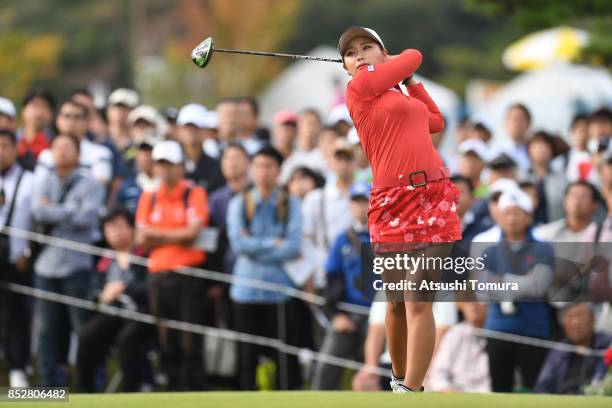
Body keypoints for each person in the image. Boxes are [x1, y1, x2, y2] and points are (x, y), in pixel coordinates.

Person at [339, 26, 461, 393]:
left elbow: (436, 121)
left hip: (434, 198)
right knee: (395, 303)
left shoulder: (399, 95)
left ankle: (411, 390)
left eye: (367, 48)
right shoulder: (358, 90)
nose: (359, 55)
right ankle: (398, 376)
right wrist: (397, 64)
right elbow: (415, 55)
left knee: (418, 297)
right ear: (345, 67)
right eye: (350, 53)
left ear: (382, 52)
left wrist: (410, 82)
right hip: (392, 203)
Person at [135, 140, 210, 390]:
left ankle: (193, 390)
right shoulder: (149, 196)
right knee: (164, 335)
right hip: (158, 274)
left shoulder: (193, 193)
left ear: (181, 167)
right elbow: (141, 237)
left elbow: (192, 234)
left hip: (188, 274)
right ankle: (171, 387)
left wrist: (159, 235)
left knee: (190, 336)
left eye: (170, 165)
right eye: (161, 165)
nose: (165, 170)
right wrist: (175, 234)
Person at [227, 146, 303, 390]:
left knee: (284, 356)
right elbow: (238, 244)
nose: (263, 171)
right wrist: (273, 243)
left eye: (269, 166)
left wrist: (255, 245)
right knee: (246, 357)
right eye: (258, 165)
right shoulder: (240, 202)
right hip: (245, 289)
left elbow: (293, 246)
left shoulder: (290, 203)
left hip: (278, 290)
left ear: (279, 171)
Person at [32, 133, 105, 386]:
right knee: (47, 331)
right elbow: (37, 211)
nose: (61, 151)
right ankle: (48, 386)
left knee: (83, 329)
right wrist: (68, 212)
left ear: (78, 153)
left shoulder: (90, 183)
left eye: (67, 147)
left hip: (77, 267)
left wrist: (53, 211)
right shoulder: (43, 181)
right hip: (45, 268)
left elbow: (88, 217)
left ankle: (89, 385)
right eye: (57, 147)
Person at [477, 189, 554, 392]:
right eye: (506, 213)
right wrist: (523, 281)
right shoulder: (490, 251)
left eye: (517, 213)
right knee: (499, 390)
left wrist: (502, 280)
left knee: (535, 389)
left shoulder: (543, 249)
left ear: (529, 217)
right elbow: (483, 292)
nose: (511, 219)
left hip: (533, 328)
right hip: (498, 329)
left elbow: (538, 286)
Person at [77, 207, 152, 392]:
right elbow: (93, 291)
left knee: (128, 340)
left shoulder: (145, 255)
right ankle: (85, 392)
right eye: (109, 228)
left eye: (118, 226)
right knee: (86, 336)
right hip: (111, 311)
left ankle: (130, 392)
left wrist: (124, 288)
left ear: (131, 228)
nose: (114, 232)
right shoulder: (105, 259)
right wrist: (102, 295)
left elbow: (151, 289)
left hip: (139, 313)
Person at [311, 181, 373, 390]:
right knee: (326, 366)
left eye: (366, 201)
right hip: (347, 313)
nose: (361, 207)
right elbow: (331, 280)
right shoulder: (342, 239)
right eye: (356, 202)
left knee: (381, 371)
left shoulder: (386, 236)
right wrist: (335, 314)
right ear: (349, 205)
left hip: (381, 316)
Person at [0, 129, 35, 387]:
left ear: (15, 149)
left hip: (15, 259)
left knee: (16, 316)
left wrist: (27, 252)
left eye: (5, 146)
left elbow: (37, 223)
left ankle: (18, 369)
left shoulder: (30, 180)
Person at [301, 139, 356, 289]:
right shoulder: (315, 198)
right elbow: (306, 241)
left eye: (348, 158)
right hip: (325, 275)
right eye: (338, 159)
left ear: (355, 162)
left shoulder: (370, 196)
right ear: (329, 162)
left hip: (359, 275)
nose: (343, 164)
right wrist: (308, 279)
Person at [535, 303, 612, 394]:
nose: (576, 323)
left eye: (581, 316)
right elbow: (543, 386)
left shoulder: (607, 345)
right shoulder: (559, 350)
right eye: (570, 317)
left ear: (593, 320)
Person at [35, 100, 114, 189]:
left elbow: (99, 185)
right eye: (67, 116)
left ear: (87, 123)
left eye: (77, 117)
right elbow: (39, 188)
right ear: (57, 121)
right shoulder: (46, 155)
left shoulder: (100, 153)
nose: (71, 121)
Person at [426, 302, 491, 392]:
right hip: (452, 393)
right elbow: (438, 373)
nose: (472, 304)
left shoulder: (498, 337)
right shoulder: (455, 333)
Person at [176, 103, 225, 193]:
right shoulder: (169, 164)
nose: (191, 132)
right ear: (179, 130)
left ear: (205, 131)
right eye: (187, 128)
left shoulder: (215, 167)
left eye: (196, 128)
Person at [523, 131, 567, 224]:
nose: (540, 149)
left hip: (555, 227)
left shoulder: (562, 179)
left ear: (551, 150)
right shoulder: (522, 178)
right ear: (529, 150)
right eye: (536, 145)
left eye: (544, 145)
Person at [16, 89, 56, 171]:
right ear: (23, 111)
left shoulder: (56, 142)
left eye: (44, 107)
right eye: (35, 106)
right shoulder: (12, 139)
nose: (39, 112)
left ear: (52, 114)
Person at [502, 103, 532, 171]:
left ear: (528, 124)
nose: (517, 123)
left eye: (521, 119)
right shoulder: (497, 152)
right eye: (514, 119)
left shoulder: (535, 149)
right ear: (505, 123)